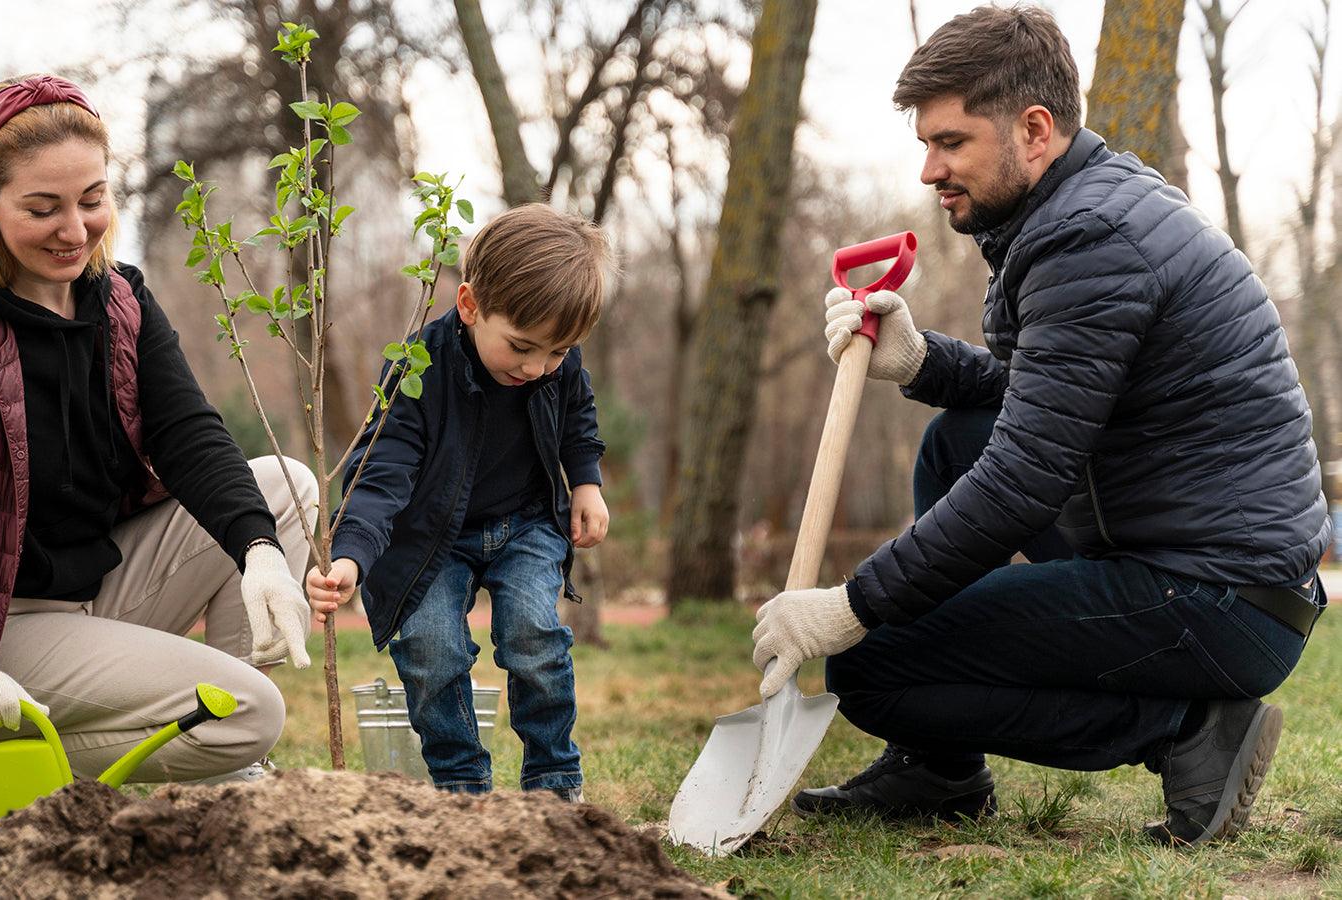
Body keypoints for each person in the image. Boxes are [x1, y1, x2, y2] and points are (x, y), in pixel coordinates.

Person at [750, 5, 1328, 847]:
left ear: (1033, 128)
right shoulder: (1075, 212)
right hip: (1201, 559)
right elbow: (1043, 399)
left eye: (951, 143)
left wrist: (852, 604)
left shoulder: (1089, 238)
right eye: (925, 144)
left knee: (869, 665)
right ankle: (939, 768)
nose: (928, 169)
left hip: (1218, 595)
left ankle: (1188, 732)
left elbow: (1025, 481)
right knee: (956, 436)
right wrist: (923, 363)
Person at [0, 75, 317, 852]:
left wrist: (260, 552)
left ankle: (227, 770)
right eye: (44, 208)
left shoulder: (120, 300)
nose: (76, 229)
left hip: (97, 587)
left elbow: (192, 436)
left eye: (92, 200)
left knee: (285, 491)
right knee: (251, 711)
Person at [306, 203, 610, 800]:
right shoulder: (416, 371)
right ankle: (460, 784)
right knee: (430, 648)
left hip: (525, 524)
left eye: (556, 353)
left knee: (534, 638)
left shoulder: (557, 361)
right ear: (470, 306)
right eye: (522, 347)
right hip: (429, 540)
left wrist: (587, 481)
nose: (538, 367)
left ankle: (553, 777)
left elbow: (577, 417)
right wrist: (350, 557)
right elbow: (380, 472)